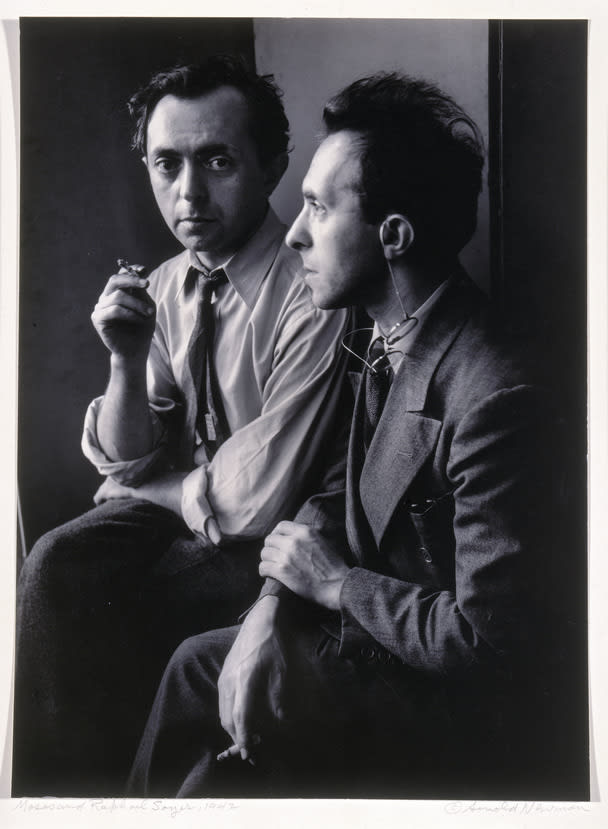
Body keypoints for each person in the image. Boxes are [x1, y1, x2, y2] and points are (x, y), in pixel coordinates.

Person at [126, 72, 575, 801]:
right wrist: (271, 604)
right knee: (193, 667)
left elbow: (488, 641)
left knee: (206, 756)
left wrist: (336, 585)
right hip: (368, 641)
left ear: (392, 235)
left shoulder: (495, 394)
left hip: (446, 708)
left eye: (317, 208)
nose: (294, 233)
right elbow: (342, 487)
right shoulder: (383, 332)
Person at [13, 55, 350, 796]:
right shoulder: (167, 284)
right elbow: (127, 459)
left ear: (272, 166)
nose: (188, 193)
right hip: (191, 506)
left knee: (134, 602)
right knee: (53, 563)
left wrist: (149, 487)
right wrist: (126, 360)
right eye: (167, 164)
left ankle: (133, 789)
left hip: (271, 529)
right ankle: (60, 796)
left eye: (217, 161)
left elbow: (255, 499)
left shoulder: (311, 292)